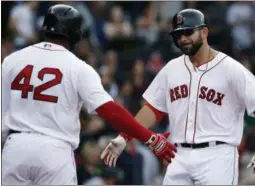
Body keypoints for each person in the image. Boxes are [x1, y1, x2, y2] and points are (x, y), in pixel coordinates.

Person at [1, 4, 177, 185]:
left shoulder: (12, 60)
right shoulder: (78, 67)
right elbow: (111, 111)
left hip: (16, 147)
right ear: (76, 34)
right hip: (54, 151)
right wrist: (150, 137)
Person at [101, 9, 255, 185]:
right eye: (178, 34)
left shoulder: (230, 68)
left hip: (217, 155)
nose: (182, 38)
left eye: (188, 32)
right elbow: (153, 109)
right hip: (179, 155)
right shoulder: (172, 68)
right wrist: (124, 137)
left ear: (204, 32)